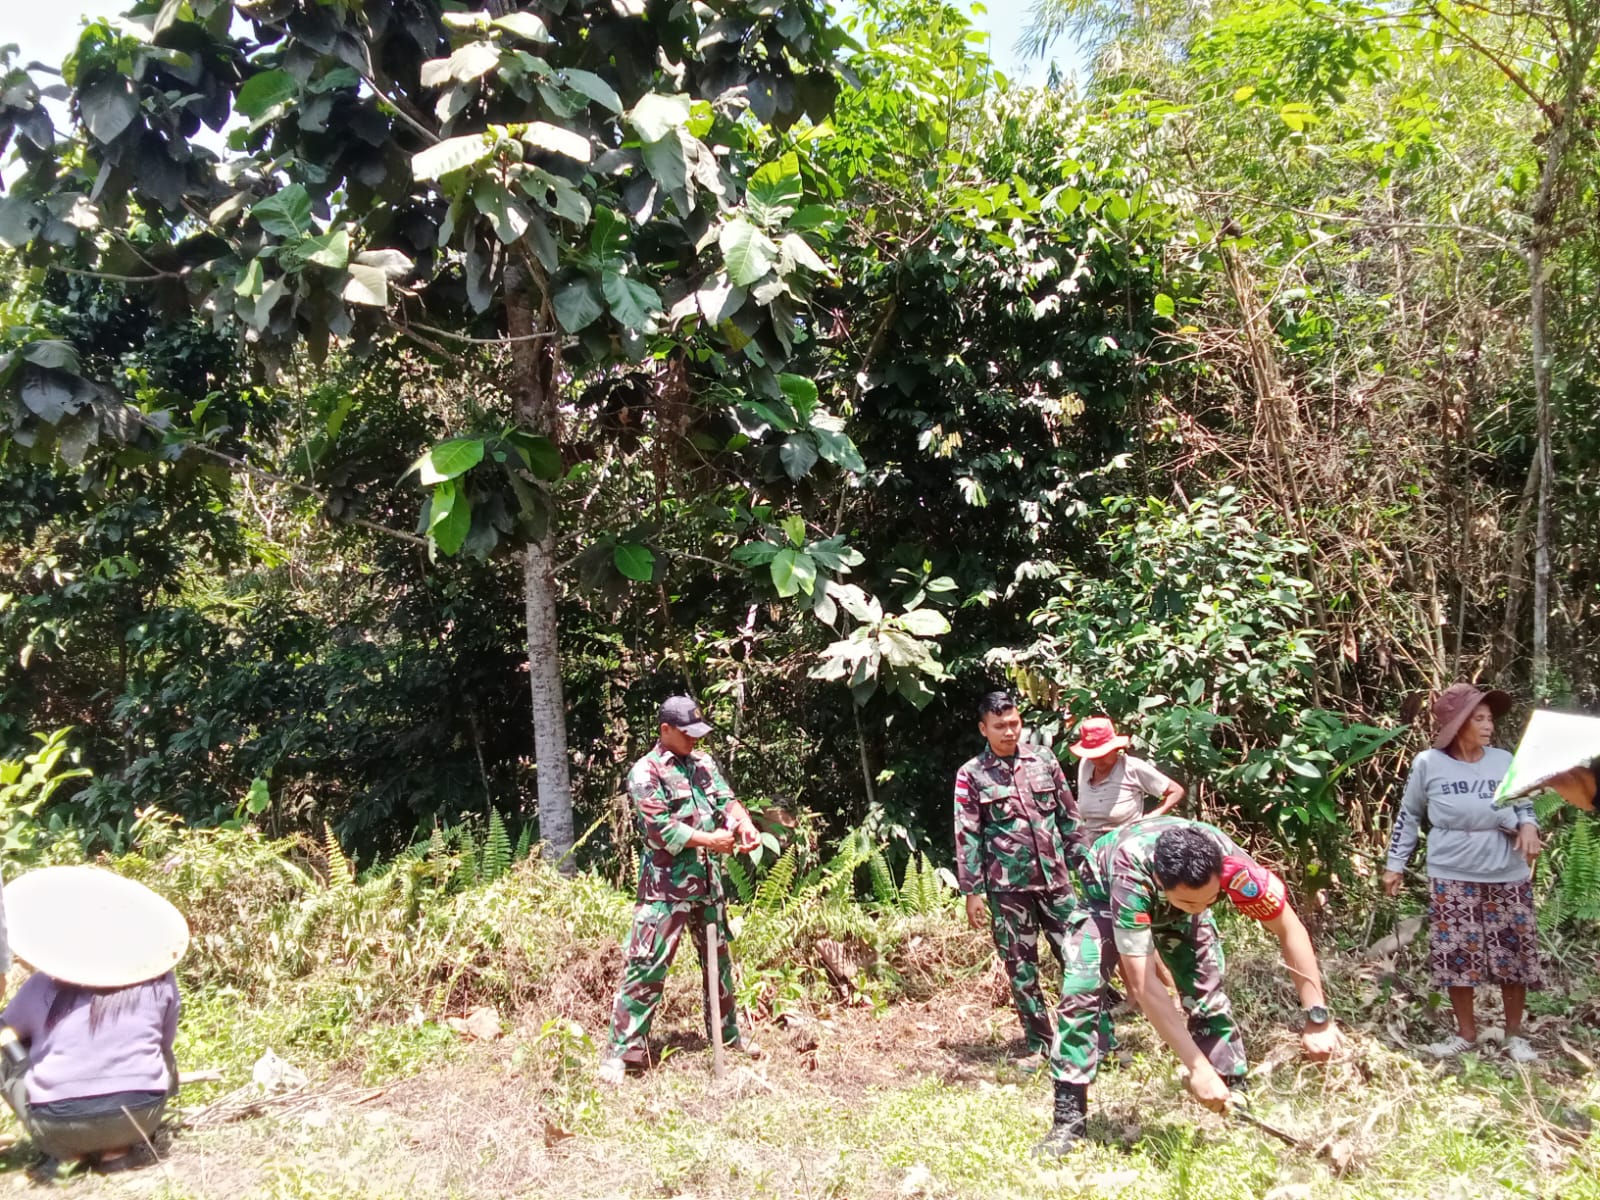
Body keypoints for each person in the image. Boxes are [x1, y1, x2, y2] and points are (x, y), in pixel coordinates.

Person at [1036, 816, 1343, 1156]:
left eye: (1210, 900)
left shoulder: (1234, 867)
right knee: (1082, 990)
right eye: (1189, 902)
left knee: (1206, 994)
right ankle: (1069, 1119)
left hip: (1170, 894)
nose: (1202, 908)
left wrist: (1317, 1016)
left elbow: (1291, 930)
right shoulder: (1132, 874)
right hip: (1104, 900)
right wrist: (1197, 1068)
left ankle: (1233, 1097)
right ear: (1158, 882)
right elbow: (1143, 986)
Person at [599, 696, 762, 1084]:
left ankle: (726, 1036)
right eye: (686, 734)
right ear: (665, 730)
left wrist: (743, 824)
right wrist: (712, 841)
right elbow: (662, 830)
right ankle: (622, 1054)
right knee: (647, 964)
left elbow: (726, 801)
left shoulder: (703, 764)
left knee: (717, 964)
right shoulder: (646, 773)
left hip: (708, 884)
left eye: (697, 733)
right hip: (665, 888)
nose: (693, 741)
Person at [1382, 683, 1543, 1063]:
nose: (1489, 726)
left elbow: (1524, 806)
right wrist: (1395, 864)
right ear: (1458, 724)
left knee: (1513, 953)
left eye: (1490, 719)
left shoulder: (1503, 760)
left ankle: (1515, 1036)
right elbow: (1409, 815)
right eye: (1479, 718)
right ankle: (1465, 1034)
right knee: (1457, 955)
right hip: (1453, 872)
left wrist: (1530, 827)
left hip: (1505, 870)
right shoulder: (1428, 764)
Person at [0, 866, 187, 1173]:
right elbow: (164, 1045)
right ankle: (118, 1152)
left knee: (5, 1048)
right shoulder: (160, 982)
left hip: (58, 1122)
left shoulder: (43, 986)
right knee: (164, 1053)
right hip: (138, 1118)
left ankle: (68, 1154)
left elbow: (8, 1030)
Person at [954, 692, 1084, 1067]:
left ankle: (1097, 1039)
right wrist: (972, 890)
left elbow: (1068, 818)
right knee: (1021, 967)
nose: (1009, 732)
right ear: (983, 729)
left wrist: (1086, 869)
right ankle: (1042, 1046)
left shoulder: (1044, 760)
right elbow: (968, 833)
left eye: (1014, 723)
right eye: (1000, 726)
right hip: (1007, 888)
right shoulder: (972, 774)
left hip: (1056, 882)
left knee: (1079, 960)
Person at [1070, 717, 1185, 841]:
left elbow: (1176, 791)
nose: (1097, 759)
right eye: (1093, 755)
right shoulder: (1085, 765)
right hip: (1089, 841)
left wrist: (1150, 818)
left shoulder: (1132, 767)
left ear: (1114, 749)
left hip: (1124, 840)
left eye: (1102, 754)